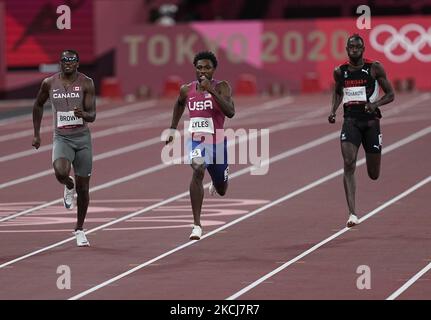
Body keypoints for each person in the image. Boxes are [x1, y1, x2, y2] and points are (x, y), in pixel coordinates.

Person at [166, 51, 235, 240]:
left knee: (222, 190)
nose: (202, 71)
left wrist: (210, 91)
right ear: (194, 69)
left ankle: (218, 177)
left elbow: (230, 112)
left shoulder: (222, 87)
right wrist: (172, 129)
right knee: (198, 168)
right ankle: (196, 224)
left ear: (214, 70)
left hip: (218, 143)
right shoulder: (187, 90)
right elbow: (179, 104)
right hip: (196, 140)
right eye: (199, 68)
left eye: (207, 68)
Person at [328, 34, 394, 228]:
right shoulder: (340, 71)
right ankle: (352, 213)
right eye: (351, 47)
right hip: (350, 121)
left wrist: (376, 104)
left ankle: (372, 163)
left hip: (371, 123)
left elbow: (391, 94)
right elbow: (338, 92)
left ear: (363, 49)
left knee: (374, 174)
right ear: (347, 49)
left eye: (357, 47)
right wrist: (332, 110)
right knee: (348, 163)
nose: (354, 50)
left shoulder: (374, 67)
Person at [32, 50, 96, 246]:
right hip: (62, 138)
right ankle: (68, 185)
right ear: (60, 63)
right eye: (64, 61)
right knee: (60, 172)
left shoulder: (87, 83)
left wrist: (82, 114)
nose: (68, 64)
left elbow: (92, 115)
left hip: (82, 139)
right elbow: (38, 105)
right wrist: (36, 134)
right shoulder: (49, 83)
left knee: (84, 189)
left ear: (78, 64)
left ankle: (79, 229)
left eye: (72, 61)